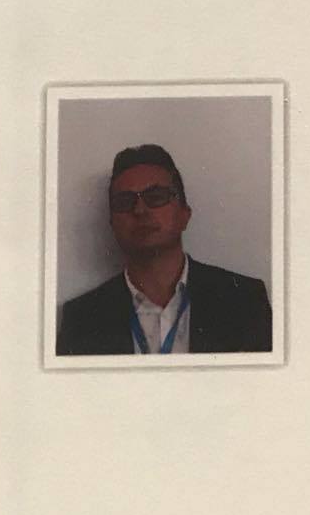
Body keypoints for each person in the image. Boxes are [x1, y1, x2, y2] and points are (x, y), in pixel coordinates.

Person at [56, 143, 273, 356]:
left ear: (184, 214)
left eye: (156, 197)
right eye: (125, 201)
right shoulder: (81, 319)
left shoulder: (245, 301)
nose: (140, 210)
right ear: (112, 223)